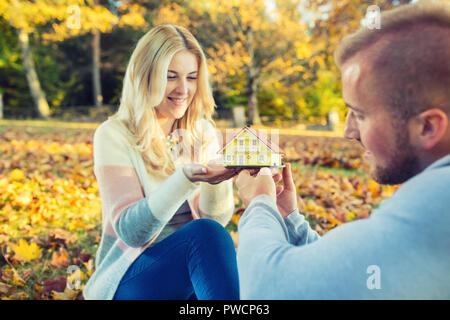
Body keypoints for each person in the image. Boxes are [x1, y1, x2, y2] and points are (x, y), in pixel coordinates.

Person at [235, 1, 450, 299]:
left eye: (360, 114)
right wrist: (289, 220)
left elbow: (268, 290)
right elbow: (356, 276)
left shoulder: (436, 207)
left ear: (427, 127)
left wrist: (259, 203)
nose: (349, 132)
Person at [83, 24, 241, 300]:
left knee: (214, 237)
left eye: (192, 78)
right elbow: (132, 232)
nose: (184, 89)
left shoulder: (202, 132)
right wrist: (185, 179)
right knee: (204, 235)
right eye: (170, 77)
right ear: (146, 77)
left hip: (189, 276)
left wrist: (218, 180)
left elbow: (216, 219)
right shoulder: (113, 135)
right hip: (132, 277)